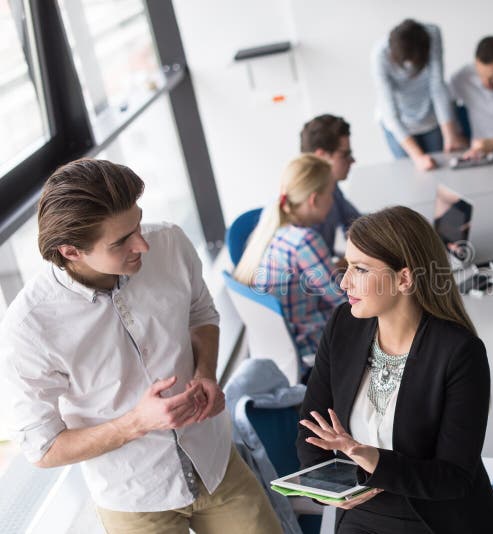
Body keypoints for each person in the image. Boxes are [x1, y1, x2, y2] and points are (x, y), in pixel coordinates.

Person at [0, 159, 280, 533]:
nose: (143, 244)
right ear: (71, 252)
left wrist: (206, 373)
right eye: (121, 241)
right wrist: (136, 423)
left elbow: (201, 314)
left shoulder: (170, 242)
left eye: (138, 224)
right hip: (136, 499)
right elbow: (43, 448)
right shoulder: (29, 326)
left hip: (215, 463)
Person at [296, 206, 493, 533]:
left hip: (436, 517)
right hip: (361, 506)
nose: (345, 282)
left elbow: (454, 478)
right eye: (346, 266)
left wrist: (368, 457)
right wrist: (328, 492)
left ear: (403, 278)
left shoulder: (460, 353)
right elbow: (311, 428)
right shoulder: (342, 326)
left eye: (360, 269)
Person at [233, 154, 345, 372]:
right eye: (331, 194)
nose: (333, 202)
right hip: (310, 346)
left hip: (281, 350)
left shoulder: (269, 230)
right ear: (314, 199)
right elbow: (344, 302)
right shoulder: (305, 241)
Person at [372, 19, 466, 171]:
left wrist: (450, 136)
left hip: (432, 118)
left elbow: (438, 87)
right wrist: (417, 156)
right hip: (399, 122)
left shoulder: (433, 34)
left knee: (442, 170)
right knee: (411, 173)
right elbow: (390, 113)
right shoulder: (379, 55)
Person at [301, 113, 361, 254]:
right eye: (344, 154)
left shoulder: (331, 187)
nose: (352, 161)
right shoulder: (304, 207)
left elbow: (355, 224)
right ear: (321, 157)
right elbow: (314, 270)